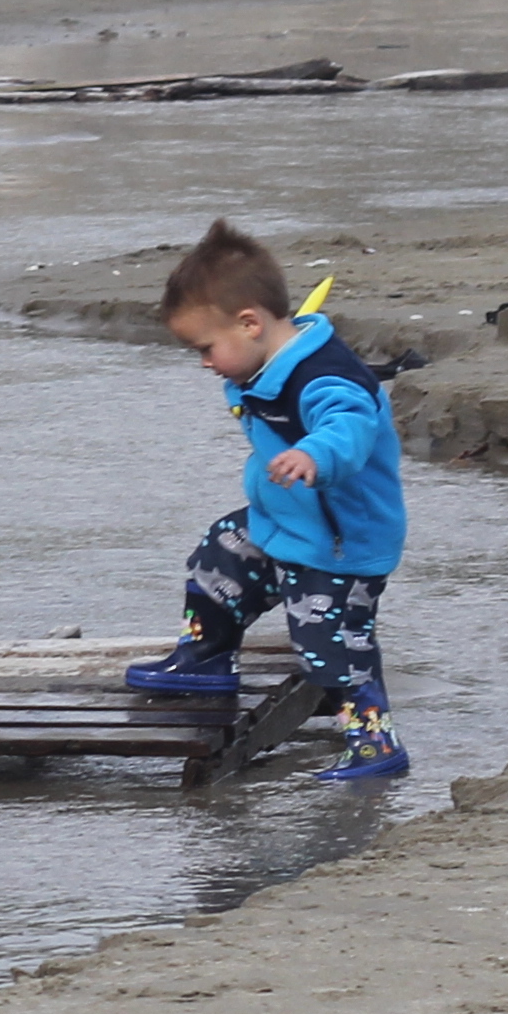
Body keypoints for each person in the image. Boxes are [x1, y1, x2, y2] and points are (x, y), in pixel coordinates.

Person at [125, 220, 412, 784]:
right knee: (220, 557)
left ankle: (375, 740)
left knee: (331, 642)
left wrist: (316, 455)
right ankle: (207, 658)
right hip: (282, 520)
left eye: (205, 348)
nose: (204, 363)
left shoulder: (323, 376)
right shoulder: (264, 363)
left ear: (250, 323)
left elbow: (349, 422)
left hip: (338, 544)